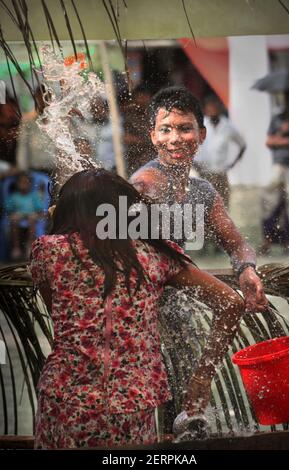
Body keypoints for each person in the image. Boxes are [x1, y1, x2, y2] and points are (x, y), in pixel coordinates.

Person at [30, 168, 244, 448]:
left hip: (65, 399)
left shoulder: (47, 252)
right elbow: (231, 302)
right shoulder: (154, 254)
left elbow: (58, 310)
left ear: (69, 211)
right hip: (132, 402)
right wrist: (203, 375)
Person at [130, 86, 267, 314]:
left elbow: (238, 245)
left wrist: (246, 269)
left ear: (201, 135)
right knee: (230, 306)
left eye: (185, 129)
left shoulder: (202, 190)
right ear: (153, 137)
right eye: (165, 130)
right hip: (136, 303)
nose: (175, 139)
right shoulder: (145, 182)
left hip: (174, 302)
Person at [260, 91, 289, 254]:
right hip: (278, 164)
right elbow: (269, 141)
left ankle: (288, 242)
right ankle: (267, 240)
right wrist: (284, 135)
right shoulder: (277, 117)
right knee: (268, 200)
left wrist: (281, 139)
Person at [193, 95, 246, 209]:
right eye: (210, 106)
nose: (213, 108)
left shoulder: (227, 126)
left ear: (220, 107)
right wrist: (194, 164)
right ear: (205, 109)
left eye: (215, 106)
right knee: (203, 205)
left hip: (220, 174)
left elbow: (242, 145)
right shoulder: (199, 125)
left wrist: (232, 164)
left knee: (223, 205)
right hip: (203, 173)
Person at [4, 172, 44, 259]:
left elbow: (40, 210)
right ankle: (16, 247)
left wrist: (35, 214)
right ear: (17, 184)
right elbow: (8, 210)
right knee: (14, 220)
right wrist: (13, 214)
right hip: (18, 217)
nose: (23, 184)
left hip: (31, 217)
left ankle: (29, 245)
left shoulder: (34, 196)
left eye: (26, 182)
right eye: (21, 182)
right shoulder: (14, 196)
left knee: (32, 220)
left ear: (30, 184)